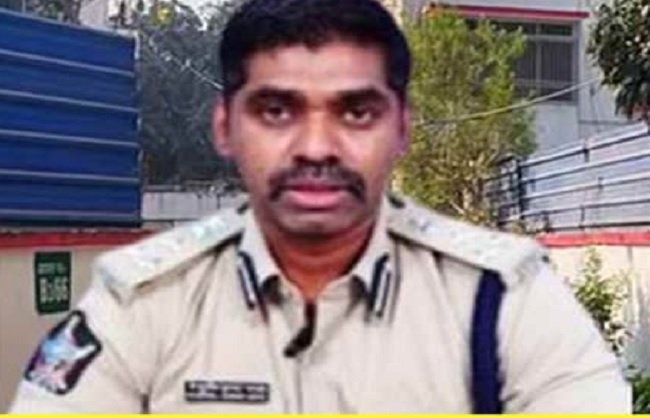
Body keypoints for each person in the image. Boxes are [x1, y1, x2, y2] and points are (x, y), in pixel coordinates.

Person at [11, 0, 630, 413]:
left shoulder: (501, 299)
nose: (316, 147)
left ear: (402, 127)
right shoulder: (143, 303)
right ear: (225, 126)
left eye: (356, 112)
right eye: (276, 110)